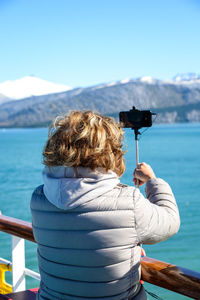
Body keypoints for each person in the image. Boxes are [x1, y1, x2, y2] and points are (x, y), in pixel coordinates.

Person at [31, 110, 180, 300]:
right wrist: (152, 180)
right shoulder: (128, 201)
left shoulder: (39, 198)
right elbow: (170, 221)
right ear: (109, 151)